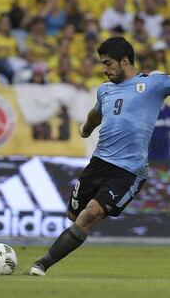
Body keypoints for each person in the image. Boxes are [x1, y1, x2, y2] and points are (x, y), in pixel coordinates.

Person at [30, 36, 170, 276]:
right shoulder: (104, 90)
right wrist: (86, 128)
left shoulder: (153, 84)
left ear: (125, 61)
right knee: (73, 215)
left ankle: (41, 264)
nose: (105, 70)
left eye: (108, 64)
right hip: (99, 162)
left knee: (89, 215)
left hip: (128, 171)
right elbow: (96, 113)